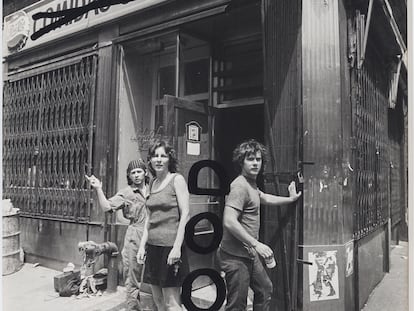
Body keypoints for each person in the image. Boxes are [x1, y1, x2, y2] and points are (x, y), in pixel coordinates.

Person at [217, 139, 302, 311]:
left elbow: (263, 198)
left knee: (264, 288)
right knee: (236, 305)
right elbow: (229, 221)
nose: (255, 163)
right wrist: (256, 244)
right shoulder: (240, 186)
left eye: (258, 159)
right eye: (250, 159)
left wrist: (290, 199)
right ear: (241, 162)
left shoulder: (251, 184)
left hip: (248, 253)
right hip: (235, 257)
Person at [85, 159, 148, 311]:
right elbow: (107, 207)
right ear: (129, 176)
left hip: (154, 235)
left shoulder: (154, 188)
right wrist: (98, 188)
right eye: (133, 173)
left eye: (139, 171)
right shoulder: (127, 193)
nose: (136, 175)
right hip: (135, 236)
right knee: (133, 278)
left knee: (155, 278)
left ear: (145, 172)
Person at [137, 140, 190, 311]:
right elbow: (149, 218)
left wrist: (177, 248)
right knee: (158, 300)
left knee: (172, 303)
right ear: (150, 160)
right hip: (153, 248)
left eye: (163, 156)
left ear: (169, 159)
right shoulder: (152, 183)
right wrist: (142, 246)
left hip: (169, 249)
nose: (159, 160)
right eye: (155, 156)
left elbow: (186, 214)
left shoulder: (177, 180)